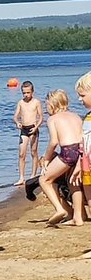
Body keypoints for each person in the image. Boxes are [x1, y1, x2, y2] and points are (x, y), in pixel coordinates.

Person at [39, 90, 84, 226]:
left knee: (44, 180)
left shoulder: (53, 119)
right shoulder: (76, 116)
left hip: (68, 151)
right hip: (81, 150)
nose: (46, 109)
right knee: (73, 182)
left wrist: (46, 159)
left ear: (53, 105)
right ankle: (78, 217)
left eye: (47, 105)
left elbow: (54, 142)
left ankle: (59, 209)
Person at [13, 80, 43, 186]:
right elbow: (15, 116)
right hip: (24, 129)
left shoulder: (36, 102)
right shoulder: (20, 103)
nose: (26, 95)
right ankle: (21, 177)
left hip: (33, 129)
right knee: (22, 154)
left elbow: (41, 117)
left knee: (33, 152)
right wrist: (17, 122)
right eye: (24, 93)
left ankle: (33, 175)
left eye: (28, 92)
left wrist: (36, 126)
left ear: (32, 92)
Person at [74, 71, 91, 222]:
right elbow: (83, 144)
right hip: (86, 166)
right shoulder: (87, 118)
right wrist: (79, 166)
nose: (79, 99)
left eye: (83, 95)